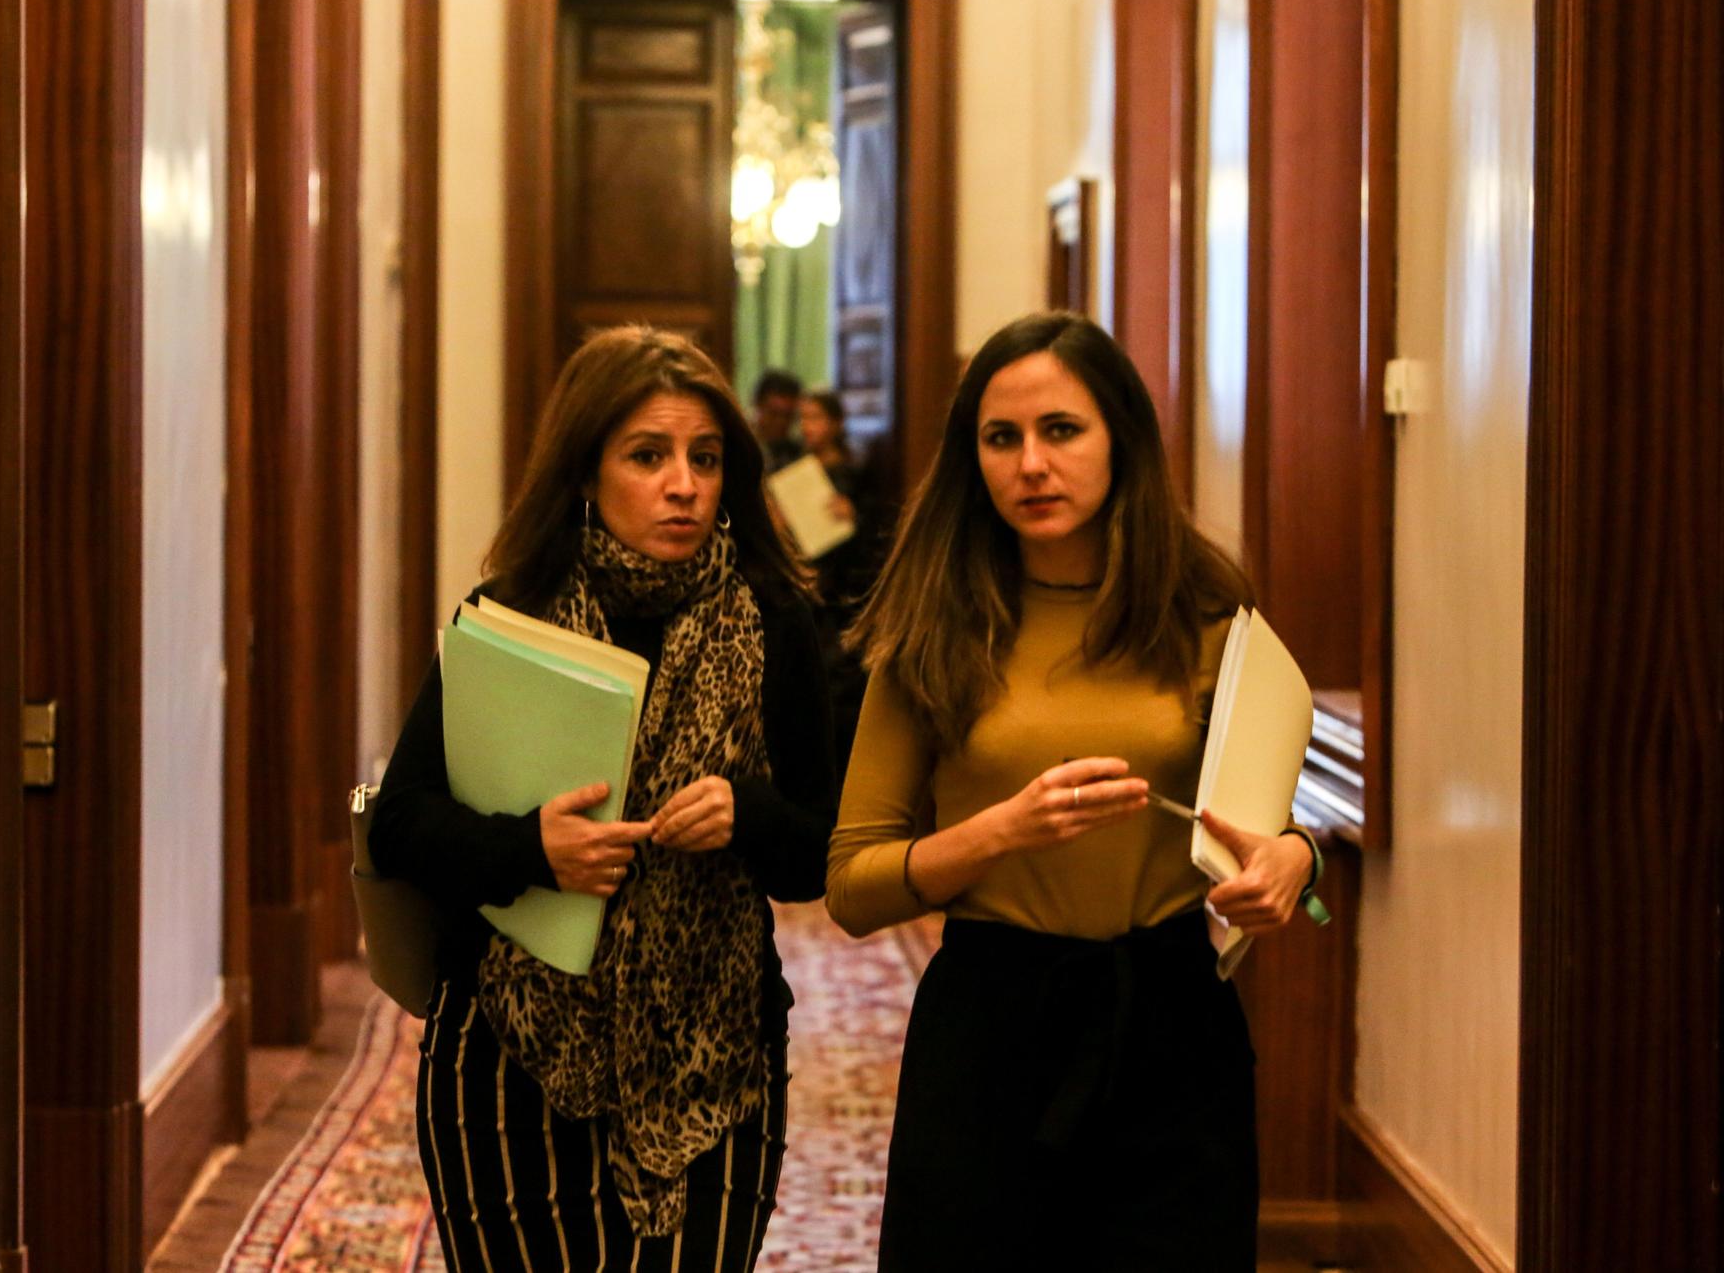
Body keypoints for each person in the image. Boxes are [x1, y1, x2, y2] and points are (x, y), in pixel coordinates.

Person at [825, 311, 1320, 1269]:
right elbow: (851, 884)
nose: (1030, 465)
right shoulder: (933, 628)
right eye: (1000, 438)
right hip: (992, 1023)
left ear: (1120, 439)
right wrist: (1002, 829)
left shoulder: (1210, 616)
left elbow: (1274, 827)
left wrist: (1292, 861)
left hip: (1172, 1021)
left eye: (1061, 430)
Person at [372, 326, 836, 1271]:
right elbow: (400, 823)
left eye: (705, 459)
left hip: (718, 1059)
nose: (685, 485)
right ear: (586, 473)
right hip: (507, 1055)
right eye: (649, 456)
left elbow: (825, 852)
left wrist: (748, 817)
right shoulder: (509, 614)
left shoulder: (778, 621)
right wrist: (532, 851)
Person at [794, 389, 888, 779]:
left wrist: (855, 517)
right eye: (804, 419)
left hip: (842, 595)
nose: (808, 427)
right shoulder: (793, 469)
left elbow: (877, 535)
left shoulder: (858, 472)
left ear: (835, 424)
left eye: (816, 418)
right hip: (804, 586)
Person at [749, 367, 805, 471]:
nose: (781, 422)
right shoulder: (741, 445)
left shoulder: (797, 452)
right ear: (757, 405)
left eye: (788, 415)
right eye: (773, 414)